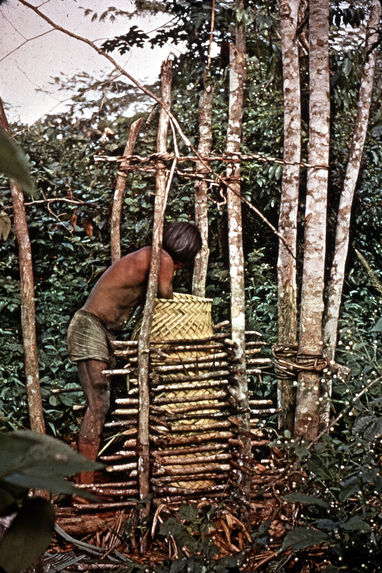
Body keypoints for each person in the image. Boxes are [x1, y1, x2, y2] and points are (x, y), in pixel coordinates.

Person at [67, 222, 202, 483]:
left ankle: (87, 474)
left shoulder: (151, 256)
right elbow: (166, 297)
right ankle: (83, 486)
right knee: (98, 403)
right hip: (89, 326)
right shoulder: (161, 258)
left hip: (104, 331)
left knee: (105, 403)